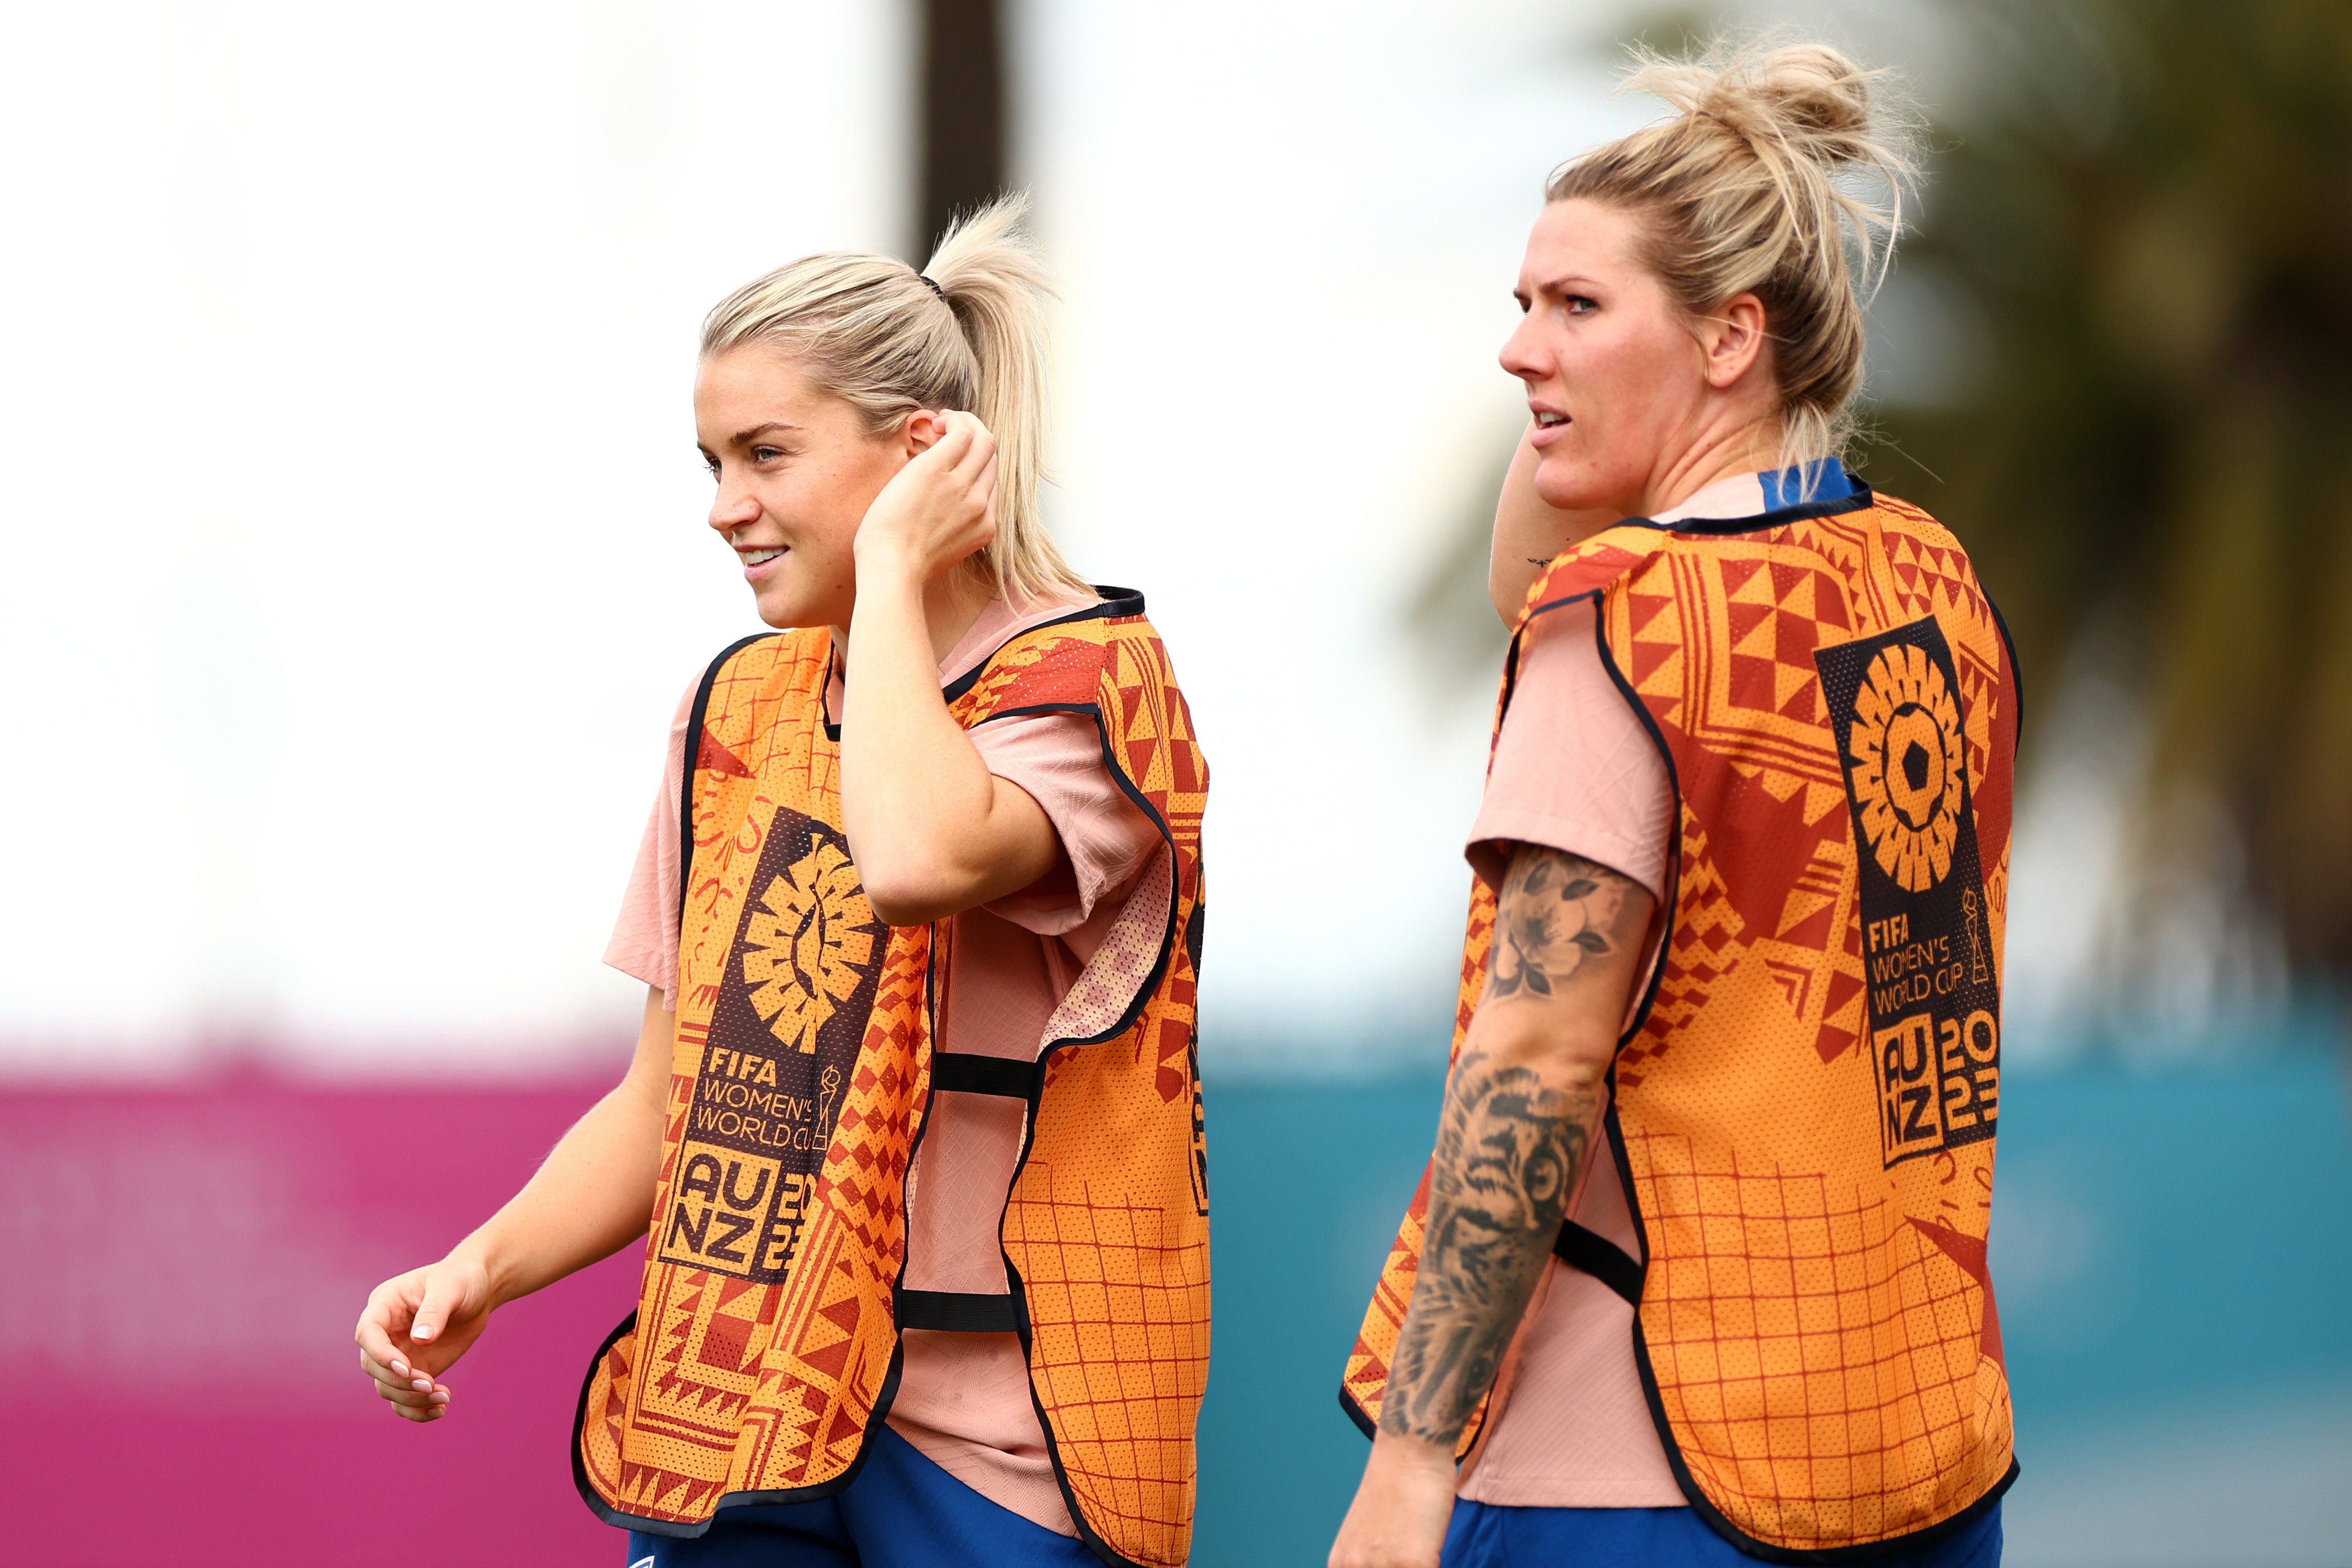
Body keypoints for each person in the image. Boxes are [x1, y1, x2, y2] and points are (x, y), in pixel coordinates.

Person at [354, 196, 1212, 1568]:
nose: (723, 507)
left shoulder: (1092, 681)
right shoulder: (738, 705)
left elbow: (918, 854)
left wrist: (889, 564)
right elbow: (667, 1097)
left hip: (1003, 1446)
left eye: (766, 454)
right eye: (709, 459)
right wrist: (481, 1267)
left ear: (924, 452)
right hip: (740, 1416)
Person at [1330, 42, 2019, 1568]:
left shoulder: (1621, 631)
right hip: (1920, 1437)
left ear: (1729, 340)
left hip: (1638, 1470)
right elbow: (1539, 573)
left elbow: (1531, 1068)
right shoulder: (1927, 583)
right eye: (1520, 306)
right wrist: (1584, 383)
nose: (1519, 351)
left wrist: (1410, 1462)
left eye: (1576, 307)